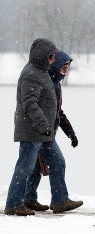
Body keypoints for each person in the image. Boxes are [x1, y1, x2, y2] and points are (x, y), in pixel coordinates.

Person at [4, 38, 82, 216]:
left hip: (44, 132)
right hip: (33, 131)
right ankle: (13, 204)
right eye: (51, 56)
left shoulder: (43, 73)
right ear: (42, 56)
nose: (53, 60)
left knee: (57, 162)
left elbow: (55, 109)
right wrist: (43, 125)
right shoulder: (31, 73)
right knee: (25, 167)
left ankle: (60, 201)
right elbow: (30, 104)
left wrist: (67, 132)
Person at [23, 50, 79, 212]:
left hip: (43, 132)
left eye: (68, 67)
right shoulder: (48, 84)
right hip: (41, 132)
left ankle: (29, 199)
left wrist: (71, 133)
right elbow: (38, 109)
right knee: (57, 163)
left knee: (34, 167)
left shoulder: (55, 83)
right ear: (54, 65)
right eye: (63, 66)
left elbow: (58, 112)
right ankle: (60, 200)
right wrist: (43, 130)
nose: (65, 70)